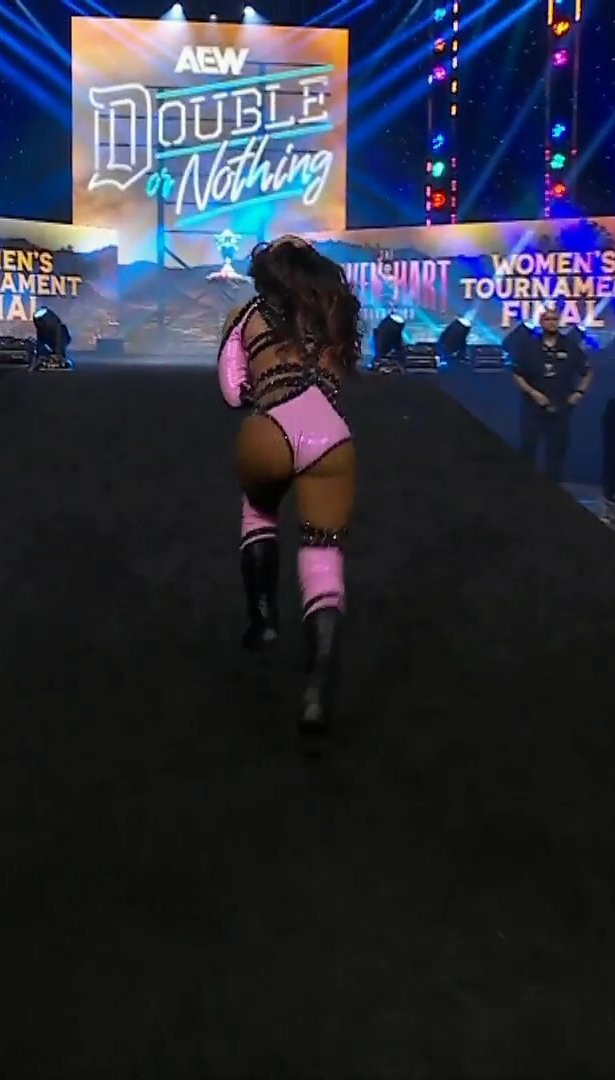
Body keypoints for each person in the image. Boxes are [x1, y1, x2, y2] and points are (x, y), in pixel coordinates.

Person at [216, 237, 360, 750]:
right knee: (324, 556)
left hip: (271, 427)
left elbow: (231, 390)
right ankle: (317, 689)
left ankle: (263, 620)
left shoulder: (246, 314)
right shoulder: (333, 310)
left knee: (258, 512)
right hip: (331, 437)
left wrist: (263, 388)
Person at [510, 309, 591, 482]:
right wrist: (532, 393)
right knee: (528, 448)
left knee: (556, 451)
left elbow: (587, 371)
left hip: (561, 406)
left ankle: (553, 488)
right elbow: (517, 374)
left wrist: (579, 393)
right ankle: (525, 486)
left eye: (555, 319)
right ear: (541, 322)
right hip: (533, 407)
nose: (552, 322)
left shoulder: (570, 346)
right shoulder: (530, 346)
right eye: (547, 319)